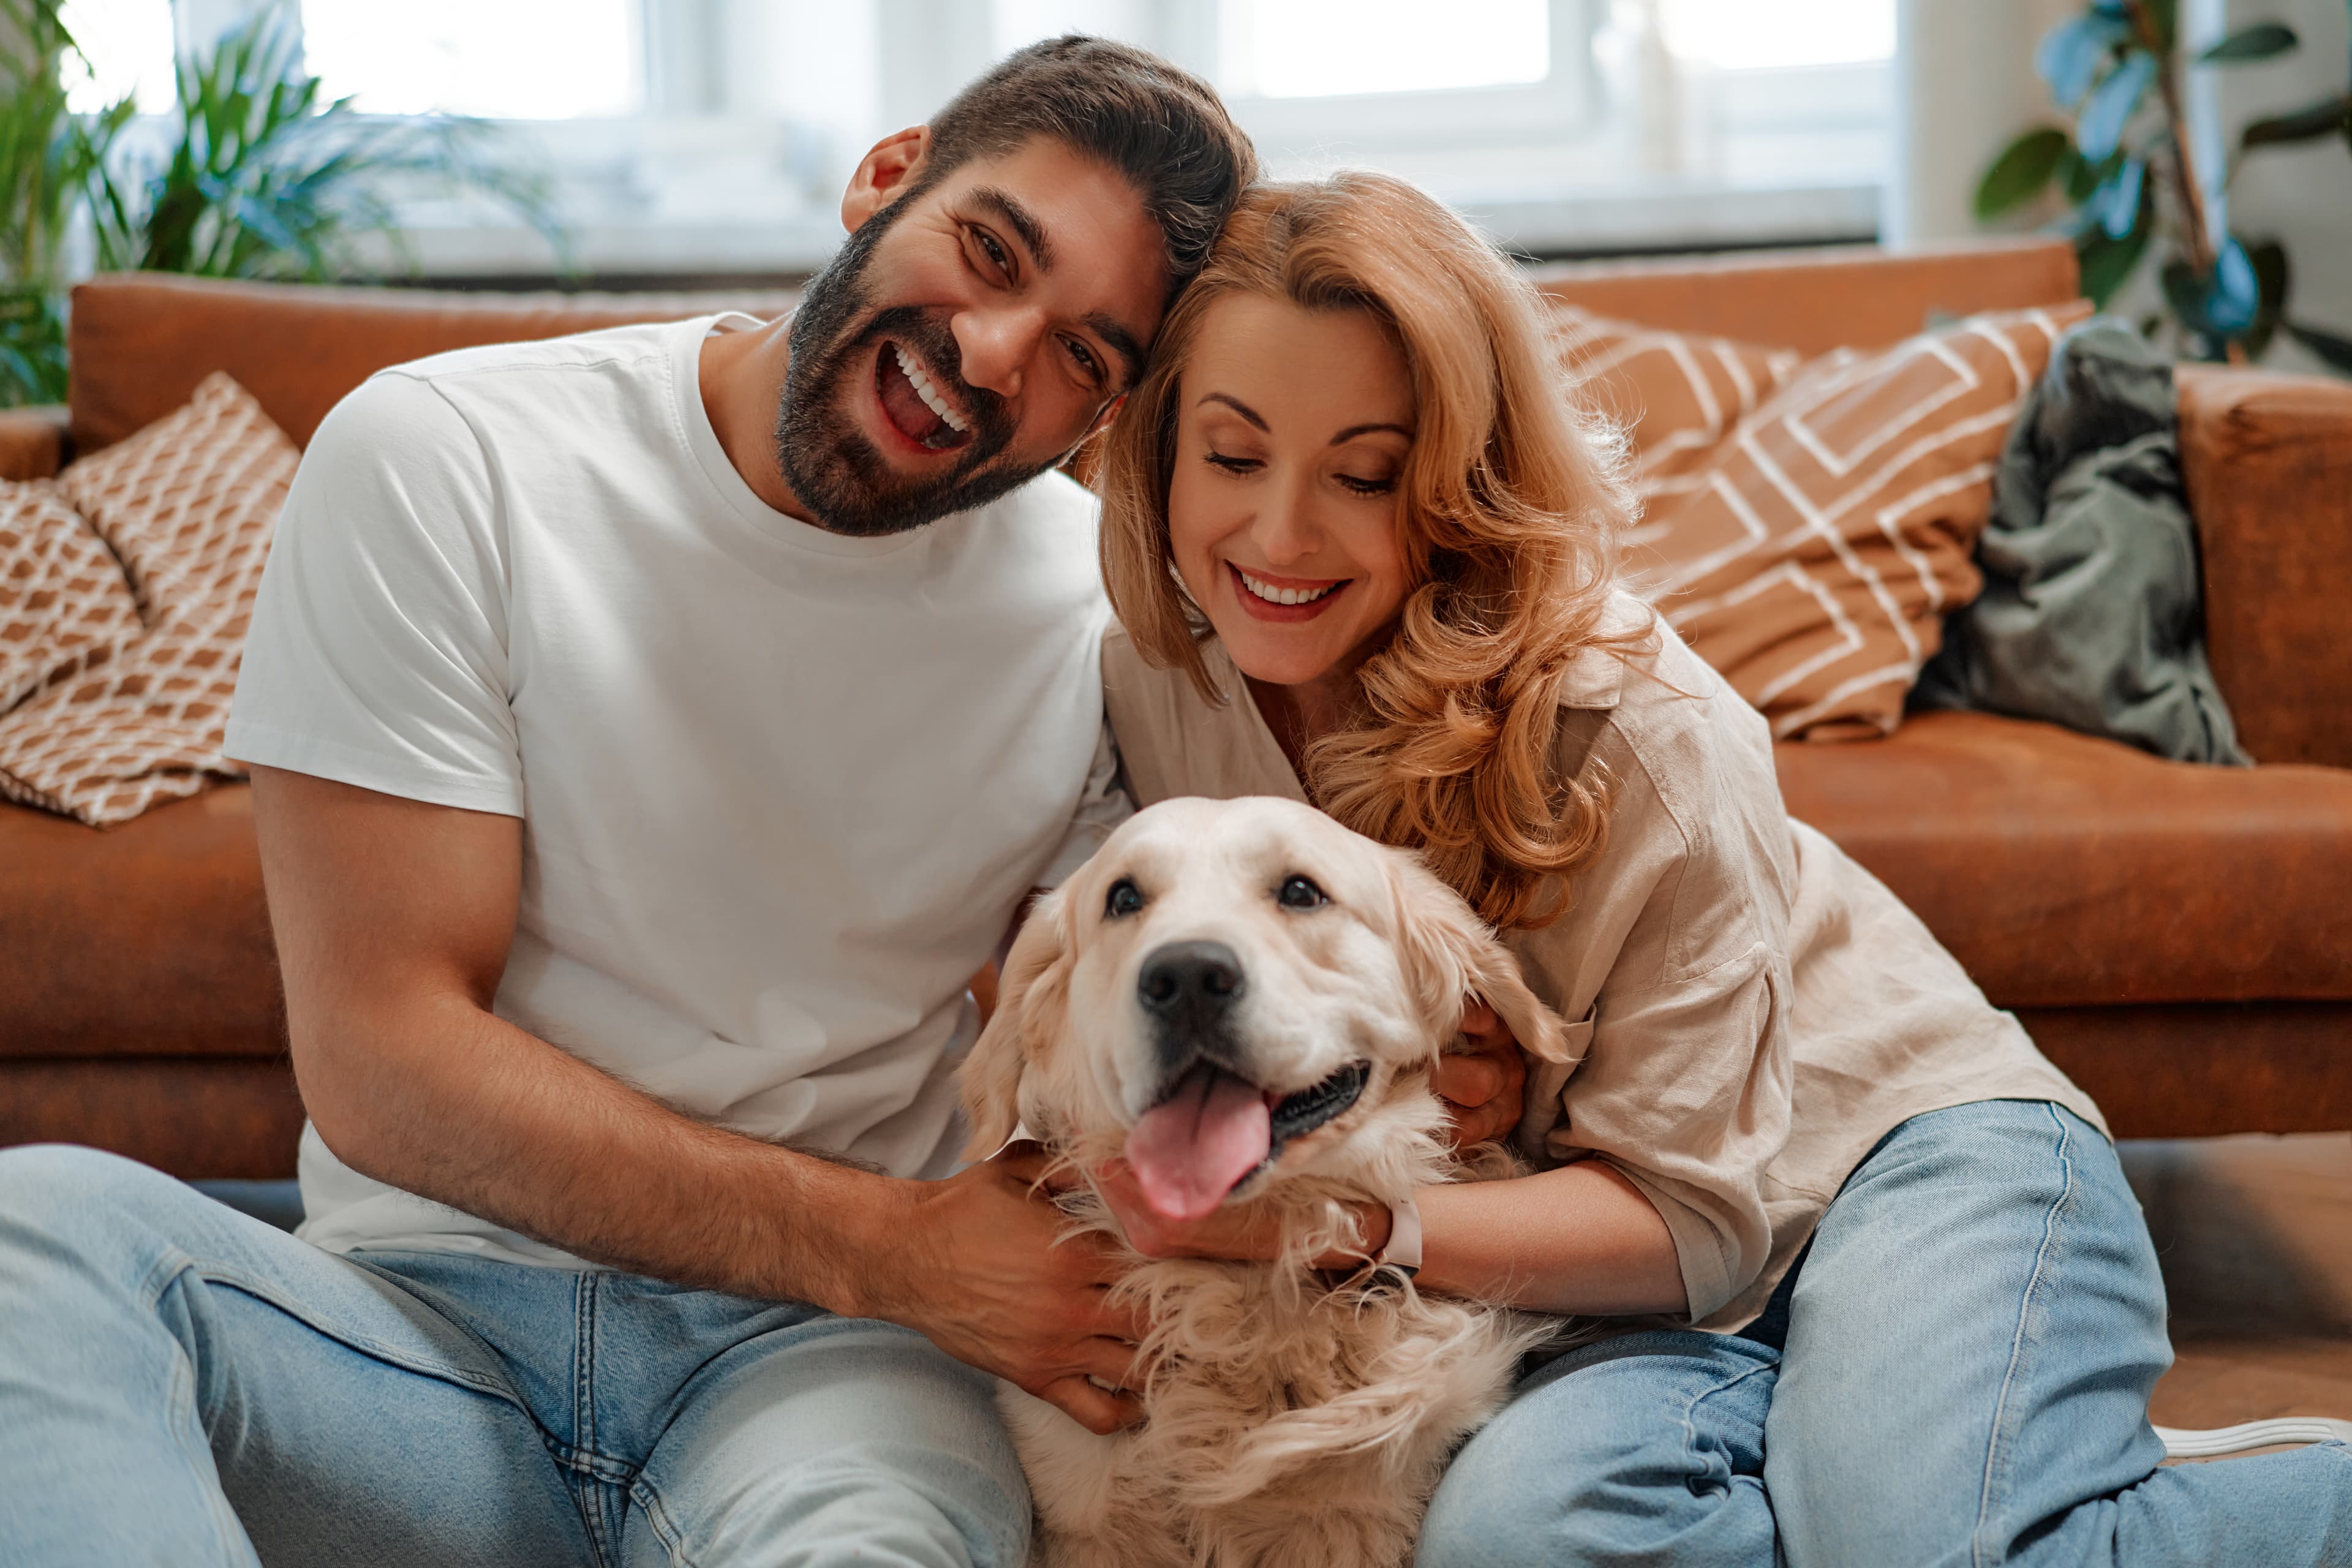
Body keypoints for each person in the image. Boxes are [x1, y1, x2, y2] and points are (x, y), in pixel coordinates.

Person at [0, 37, 1265, 1568]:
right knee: (40, 1237)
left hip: (826, 1374)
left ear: (1105, 422)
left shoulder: (1097, 621)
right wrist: (902, 1251)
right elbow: (384, 1058)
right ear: (888, 173)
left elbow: (1114, 1013)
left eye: (1086, 356)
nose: (998, 350)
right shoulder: (450, 455)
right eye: (991, 249)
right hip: (419, 1333)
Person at [1084, 172, 2352, 1567]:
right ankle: (1874, 1475)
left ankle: (2049, 1496)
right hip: (1594, 1288)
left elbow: (1694, 1214)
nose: (1276, 536)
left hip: (1884, 1154)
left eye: (1364, 474)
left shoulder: (1645, 727)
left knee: (1935, 1548)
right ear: (1163, 456)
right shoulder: (1152, 680)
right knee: (1517, 1535)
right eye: (1233, 455)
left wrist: (1348, 1221)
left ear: (1457, 487)